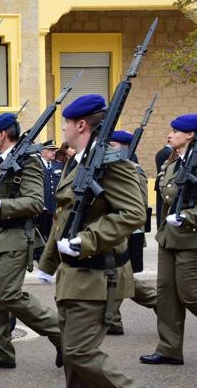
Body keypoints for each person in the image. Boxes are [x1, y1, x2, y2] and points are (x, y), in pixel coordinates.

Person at [37, 94, 145, 387]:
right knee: (74, 363)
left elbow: (134, 213)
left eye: (66, 124)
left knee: (79, 352)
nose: (63, 130)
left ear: (81, 125)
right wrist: (47, 263)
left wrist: (87, 240)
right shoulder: (80, 162)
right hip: (74, 275)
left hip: (98, 275)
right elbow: (64, 216)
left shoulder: (111, 163)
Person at [0, 112, 62, 370]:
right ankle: (1, 353)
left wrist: (1, 205)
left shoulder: (28, 162)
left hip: (18, 236)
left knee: (10, 295)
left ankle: (60, 333)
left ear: (2, 135)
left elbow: (35, 202)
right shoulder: (1, 162)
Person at [140, 114, 197, 366]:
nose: (169, 135)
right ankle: (169, 349)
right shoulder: (173, 165)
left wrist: (187, 216)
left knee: (190, 294)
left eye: (175, 131)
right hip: (168, 238)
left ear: (191, 135)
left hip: (191, 239)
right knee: (167, 297)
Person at [106, 130, 157, 336]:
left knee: (121, 275)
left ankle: (160, 304)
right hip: (112, 229)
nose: (109, 149)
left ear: (125, 147)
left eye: (113, 145)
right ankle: (113, 320)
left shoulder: (134, 169)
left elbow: (140, 205)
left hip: (128, 233)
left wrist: (130, 232)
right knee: (114, 274)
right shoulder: (113, 167)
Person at [38, 140, 63, 243]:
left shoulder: (59, 165)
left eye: (54, 150)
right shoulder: (37, 166)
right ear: (42, 152)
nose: (53, 152)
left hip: (55, 207)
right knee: (40, 233)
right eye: (50, 150)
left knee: (53, 234)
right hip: (42, 207)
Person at [154, 141, 173, 228]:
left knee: (160, 209)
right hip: (165, 183)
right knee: (163, 209)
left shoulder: (160, 152)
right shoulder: (169, 153)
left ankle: (159, 226)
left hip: (159, 182)